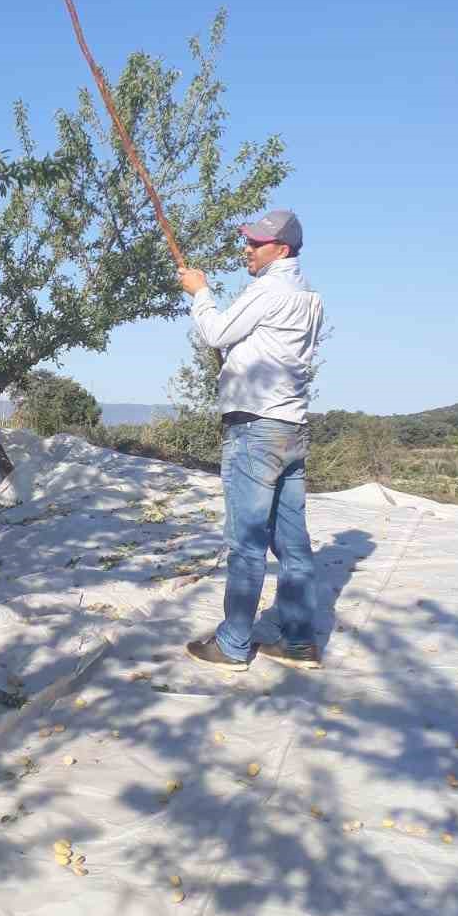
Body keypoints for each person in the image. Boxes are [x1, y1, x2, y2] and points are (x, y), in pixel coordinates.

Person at [176, 209, 325, 672]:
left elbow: (215, 332)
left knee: (246, 542)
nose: (247, 249)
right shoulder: (309, 298)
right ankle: (299, 642)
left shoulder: (270, 290)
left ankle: (235, 643)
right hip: (291, 428)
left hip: (255, 430)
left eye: (256, 244)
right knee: (293, 544)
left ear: (280, 250)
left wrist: (199, 293)